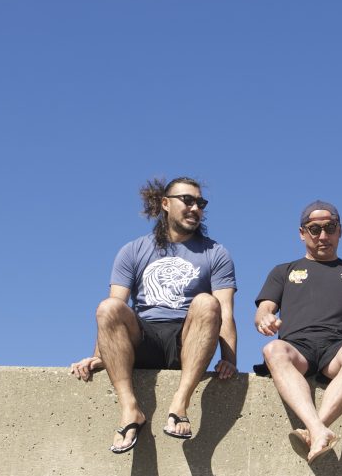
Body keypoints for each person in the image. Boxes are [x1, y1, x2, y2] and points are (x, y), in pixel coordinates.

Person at [69, 176, 237, 452]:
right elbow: (113, 311)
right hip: (144, 337)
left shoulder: (216, 253)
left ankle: (180, 404)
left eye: (201, 203)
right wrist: (99, 356)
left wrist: (229, 360)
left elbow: (225, 312)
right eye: (188, 200)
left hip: (187, 339)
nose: (195, 208)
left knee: (207, 303)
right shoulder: (133, 250)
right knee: (107, 306)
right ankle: (130, 410)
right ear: (165, 204)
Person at [255, 201, 342, 464]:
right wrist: (264, 318)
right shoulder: (283, 271)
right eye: (314, 229)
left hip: (339, 348)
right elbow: (264, 309)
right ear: (302, 233)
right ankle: (319, 431)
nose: (323, 235)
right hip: (297, 347)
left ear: (340, 231)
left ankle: (315, 429)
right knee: (272, 349)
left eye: (330, 228)